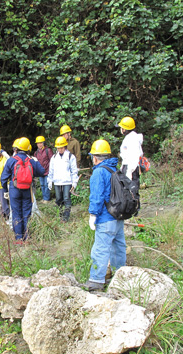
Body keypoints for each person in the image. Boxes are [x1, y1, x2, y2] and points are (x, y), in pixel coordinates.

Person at [86, 140, 126, 291]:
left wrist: (93, 214)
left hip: (105, 219)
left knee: (101, 249)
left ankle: (96, 282)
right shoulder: (114, 169)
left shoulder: (98, 172)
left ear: (95, 157)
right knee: (118, 248)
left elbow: (97, 196)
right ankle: (120, 280)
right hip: (118, 217)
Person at [0, 137, 45, 242]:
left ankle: (19, 237)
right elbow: (42, 172)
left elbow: (3, 178)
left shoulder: (11, 160)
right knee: (26, 212)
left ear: (16, 149)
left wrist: (5, 191)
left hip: (14, 190)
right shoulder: (31, 161)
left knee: (16, 212)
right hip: (27, 190)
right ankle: (26, 235)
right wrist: (36, 162)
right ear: (28, 149)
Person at [47, 136, 78, 222]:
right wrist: (50, 180)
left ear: (65, 146)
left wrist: (74, 182)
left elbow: (74, 170)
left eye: (62, 147)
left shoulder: (70, 157)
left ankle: (66, 217)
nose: (60, 149)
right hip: (57, 182)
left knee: (66, 198)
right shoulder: (54, 158)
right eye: (58, 148)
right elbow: (51, 170)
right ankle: (59, 215)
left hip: (67, 181)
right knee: (58, 199)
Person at [117, 116, 144, 182]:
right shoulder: (130, 138)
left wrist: (129, 173)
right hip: (129, 168)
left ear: (124, 129)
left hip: (131, 169)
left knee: (130, 190)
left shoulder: (132, 139)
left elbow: (135, 157)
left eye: (121, 128)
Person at [33, 136, 53, 203]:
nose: (39, 144)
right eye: (38, 143)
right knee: (42, 185)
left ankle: (47, 199)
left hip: (47, 171)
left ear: (43, 143)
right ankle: (44, 198)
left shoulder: (48, 150)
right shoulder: (36, 153)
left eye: (41, 143)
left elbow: (52, 160)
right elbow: (35, 163)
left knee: (46, 185)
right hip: (40, 172)